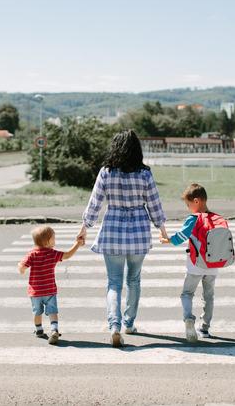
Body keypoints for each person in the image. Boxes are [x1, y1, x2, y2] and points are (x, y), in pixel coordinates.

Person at [77, 130, 168, 348]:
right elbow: (154, 204)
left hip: (112, 232)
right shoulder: (145, 174)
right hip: (138, 233)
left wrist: (84, 228)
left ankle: (114, 326)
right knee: (134, 280)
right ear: (137, 149)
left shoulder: (106, 172)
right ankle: (129, 323)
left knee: (114, 283)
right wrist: (162, 228)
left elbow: (95, 203)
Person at [160, 183, 217, 342]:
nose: (188, 208)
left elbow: (181, 236)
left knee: (187, 293)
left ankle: (189, 319)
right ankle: (205, 328)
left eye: (188, 204)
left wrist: (168, 240)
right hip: (213, 266)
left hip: (196, 265)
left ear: (197, 201)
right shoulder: (216, 218)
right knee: (209, 296)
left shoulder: (194, 219)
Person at [18, 225, 84, 345]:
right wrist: (77, 244)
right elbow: (68, 254)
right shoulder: (52, 253)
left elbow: (23, 266)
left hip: (36, 292)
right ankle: (54, 329)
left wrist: (21, 269)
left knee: (37, 312)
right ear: (47, 241)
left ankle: (39, 330)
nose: (55, 239)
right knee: (53, 311)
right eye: (54, 237)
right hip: (50, 290)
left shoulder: (32, 254)